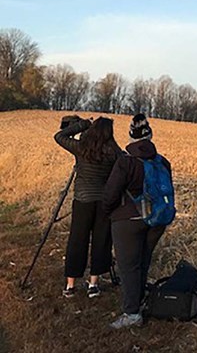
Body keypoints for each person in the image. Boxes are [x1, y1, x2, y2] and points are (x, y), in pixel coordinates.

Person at [104, 114, 172, 329]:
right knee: (143, 261)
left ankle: (132, 314)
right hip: (158, 220)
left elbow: (110, 195)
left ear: (131, 138)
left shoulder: (125, 162)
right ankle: (139, 301)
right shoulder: (163, 162)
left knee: (129, 267)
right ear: (150, 136)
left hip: (128, 221)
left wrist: (109, 213)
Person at [54, 116, 121, 298]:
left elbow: (59, 136)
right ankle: (93, 284)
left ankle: (70, 286)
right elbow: (124, 160)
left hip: (83, 200)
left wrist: (82, 125)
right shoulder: (113, 151)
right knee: (102, 241)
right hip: (104, 203)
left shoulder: (82, 148)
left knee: (77, 240)